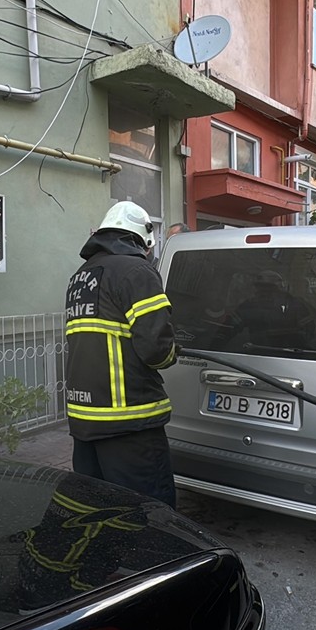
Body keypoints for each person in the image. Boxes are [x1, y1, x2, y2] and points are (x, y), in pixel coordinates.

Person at [64, 200, 179, 507]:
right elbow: (156, 349)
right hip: (130, 422)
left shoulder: (82, 276)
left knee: (96, 510)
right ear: (142, 240)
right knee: (148, 513)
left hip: (85, 420)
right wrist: (173, 352)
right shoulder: (136, 271)